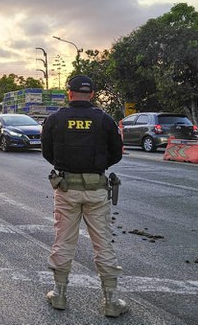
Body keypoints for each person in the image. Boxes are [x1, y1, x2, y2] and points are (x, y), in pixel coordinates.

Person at [41, 75, 128, 317]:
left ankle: (59, 296)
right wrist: (96, 167)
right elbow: (116, 154)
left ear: (69, 93)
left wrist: (68, 167)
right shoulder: (104, 119)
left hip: (66, 189)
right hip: (96, 190)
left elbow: (47, 152)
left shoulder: (55, 119)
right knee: (103, 243)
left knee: (64, 241)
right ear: (91, 94)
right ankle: (111, 302)